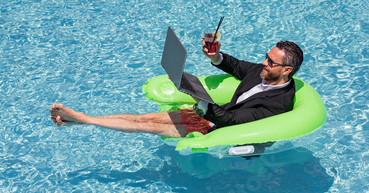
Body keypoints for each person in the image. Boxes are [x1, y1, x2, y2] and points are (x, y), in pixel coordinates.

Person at [50, 36, 303, 138]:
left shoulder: (277, 103)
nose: (264, 62)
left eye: (270, 61)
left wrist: (199, 99)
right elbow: (236, 66)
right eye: (266, 56)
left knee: (148, 126)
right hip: (212, 113)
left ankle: (82, 119)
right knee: (143, 118)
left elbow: (232, 120)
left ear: (287, 70)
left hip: (213, 128)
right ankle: (83, 119)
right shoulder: (262, 73)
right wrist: (215, 56)